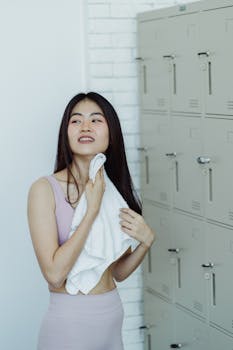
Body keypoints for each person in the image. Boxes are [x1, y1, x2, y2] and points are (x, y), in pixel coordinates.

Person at [27, 91, 155, 350]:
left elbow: (117, 272)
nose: (85, 126)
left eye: (96, 120)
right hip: (69, 322)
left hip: (111, 314)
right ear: (66, 132)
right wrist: (91, 210)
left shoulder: (114, 192)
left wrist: (145, 243)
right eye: (76, 121)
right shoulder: (44, 189)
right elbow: (54, 274)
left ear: (111, 134)